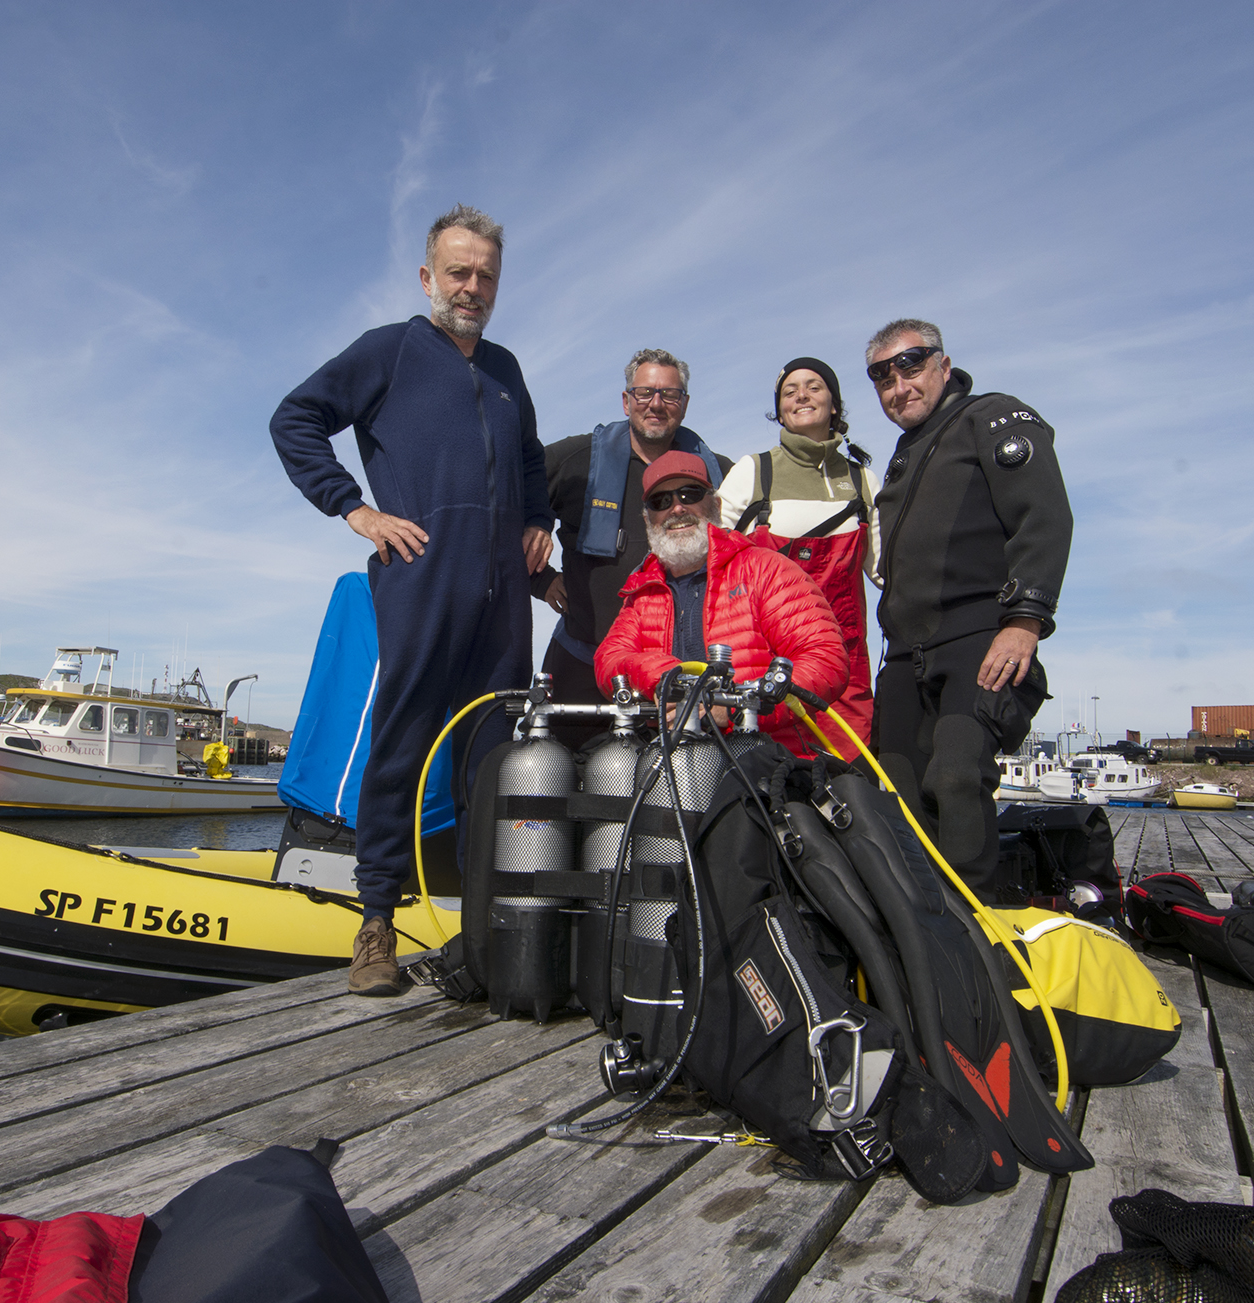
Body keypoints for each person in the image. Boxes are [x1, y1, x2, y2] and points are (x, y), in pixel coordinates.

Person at [270, 205, 554, 996]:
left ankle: (484, 928)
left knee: (492, 762)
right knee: (400, 749)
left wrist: (538, 521)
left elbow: (530, 460)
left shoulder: (506, 369)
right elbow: (296, 419)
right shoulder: (390, 350)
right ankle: (374, 926)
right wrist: (353, 509)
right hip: (422, 578)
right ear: (428, 276)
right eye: (458, 272)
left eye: (486, 275)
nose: (472, 287)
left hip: (503, 602)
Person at [865, 319, 1072, 900]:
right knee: (896, 793)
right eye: (883, 378)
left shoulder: (993, 416)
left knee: (957, 777)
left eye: (911, 367)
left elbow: (1045, 516)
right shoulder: (904, 455)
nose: (899, 386)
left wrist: (1025, 621)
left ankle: (977, 926)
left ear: (944, 365)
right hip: (905, 654)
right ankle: (915, 928)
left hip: (978, 636)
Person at [595, 451, 848, 756]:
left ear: (716, 505)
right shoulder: (642, 590)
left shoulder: (767, 569)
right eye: (660, 501)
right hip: (674, 764)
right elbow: (609, 661)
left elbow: (826, 660)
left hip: (767, 761)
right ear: (649, 519)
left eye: (690, 494)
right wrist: (662, 677)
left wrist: (734, 708)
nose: (677, 508)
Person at [531, 350, 724, 737]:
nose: (657, 404)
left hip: (676, 681)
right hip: (581, 664)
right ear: (626, 400)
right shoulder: (575, 460)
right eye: (645, 392)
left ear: (685, 404)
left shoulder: (718, 475)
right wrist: (539, 580)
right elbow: (503, 506)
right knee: (561, 770)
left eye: (670, 394)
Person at [718, 357, 881, 760]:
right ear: (780, 411)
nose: (802, 396)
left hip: (844, 676)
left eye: (814, 387)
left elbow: (886, 572)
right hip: (762, 674)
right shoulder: (753, 471)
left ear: (834, 404)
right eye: (790, 392)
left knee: (847, 788)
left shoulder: (863, 480)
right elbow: (710, 560)